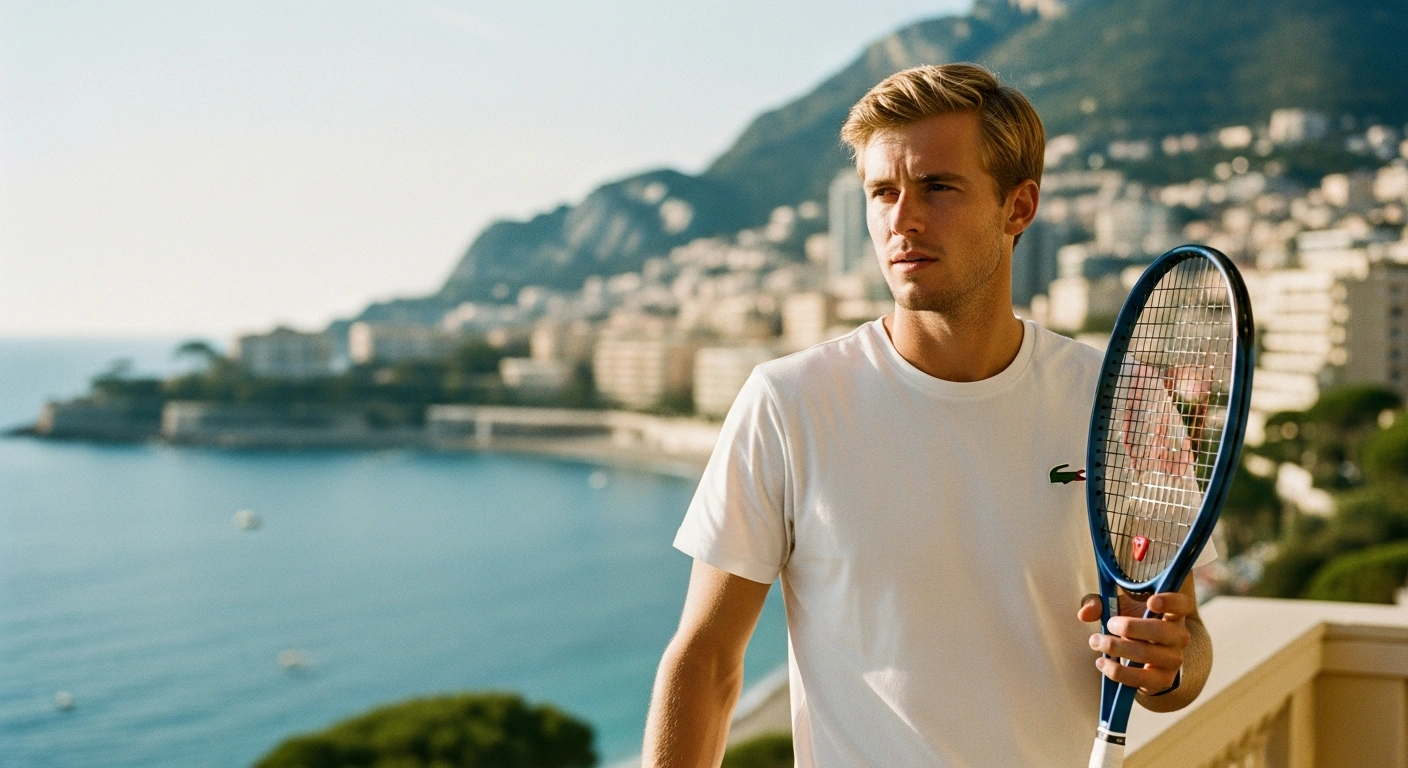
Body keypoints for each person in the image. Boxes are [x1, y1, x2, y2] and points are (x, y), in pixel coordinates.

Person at [641, 62, 1213, 767]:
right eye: (882, 193)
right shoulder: (788, 402)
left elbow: (1181, 645)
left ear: (1018, 207)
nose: (901, 219)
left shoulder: (1119, 399)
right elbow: (707, 660)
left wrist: (1170, 664)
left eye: (938, 188)